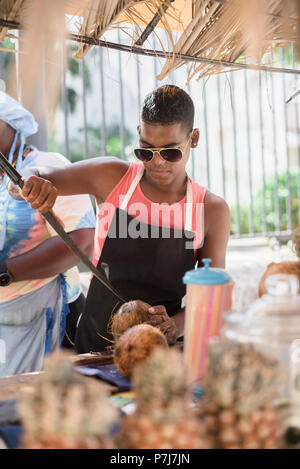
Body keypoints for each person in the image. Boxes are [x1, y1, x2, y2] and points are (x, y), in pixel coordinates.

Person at [12, 85, 230, 353]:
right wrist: (27, 185)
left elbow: (211, 299)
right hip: (96, 348)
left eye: (170, 152)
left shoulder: (211, 210)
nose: (157, 162)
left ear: (193, 139)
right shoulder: (112, 177)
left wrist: (176, 325)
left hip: (160, 351)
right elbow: (29, 175)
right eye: (146, 151)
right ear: (139, 134)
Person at [0, 92, 96, 376]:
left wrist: (5, 271)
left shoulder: (47, 166)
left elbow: (83, 240)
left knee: (29, 408)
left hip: (42, 319)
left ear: (8, 124)